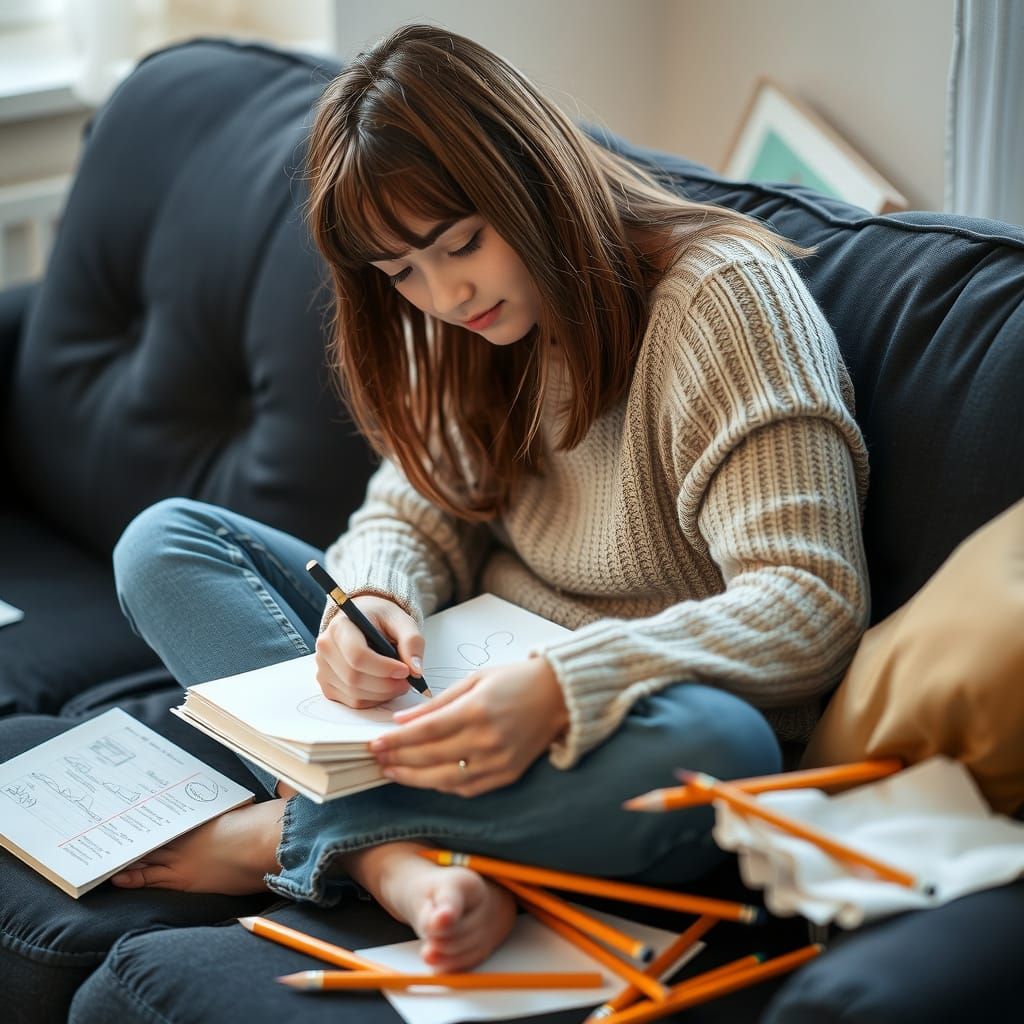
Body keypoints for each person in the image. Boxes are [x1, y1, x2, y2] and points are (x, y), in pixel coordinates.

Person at [109, 23, 870, 972]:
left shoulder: (725, 302)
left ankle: (281, 837)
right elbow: (410, 513)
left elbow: (810, 601)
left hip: (621, 724)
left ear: (531, 177)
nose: (442, 293)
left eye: (460, 242)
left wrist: (562, 687)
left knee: (725, 748)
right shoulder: (459, 323)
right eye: (401, 273)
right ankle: (396, 862)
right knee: (165, 543)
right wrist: (370, 602)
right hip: (453, 699)